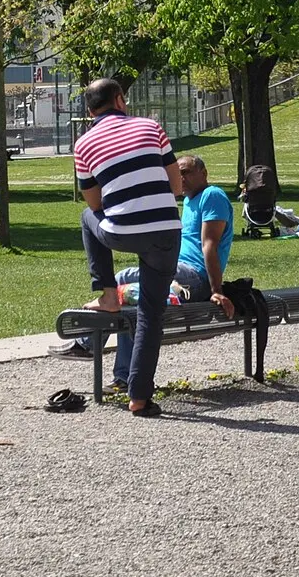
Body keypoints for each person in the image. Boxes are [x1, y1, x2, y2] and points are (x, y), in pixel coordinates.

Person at [72, 78, 182, 418]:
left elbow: (93, 202)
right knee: (151, 313)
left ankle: (107, 293)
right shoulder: (151, 127)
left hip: (121, 231)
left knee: (86, 218)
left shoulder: (84, 144)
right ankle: (139, 397)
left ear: (90, 111)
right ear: (120, 100)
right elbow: (176, 185)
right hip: (166, 229)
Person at [102, 152, 231, 393]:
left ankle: (101, 354)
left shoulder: (212, 195)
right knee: (119, 281)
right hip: (176, 271)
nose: (181, 178)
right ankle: (118, 371)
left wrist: (216, 291)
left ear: (203, 174)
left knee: (132, 295)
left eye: (186, 172)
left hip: (194, 277)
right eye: (177, 173)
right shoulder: (189, 202)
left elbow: (209, 244)